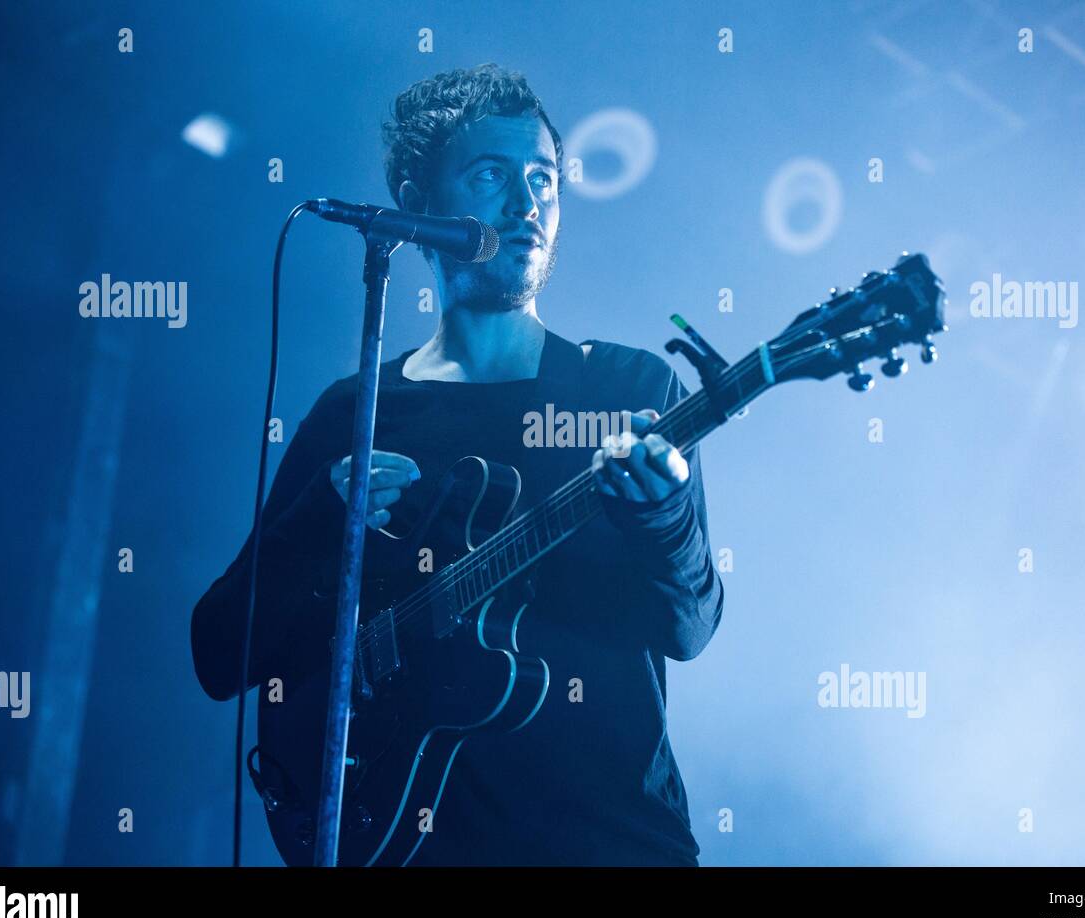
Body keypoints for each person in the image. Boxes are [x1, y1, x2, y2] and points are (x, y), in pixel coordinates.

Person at [191, 63, 724, 865]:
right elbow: (219, 653)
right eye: (491, 175)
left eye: (545, 178)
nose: (527, 205)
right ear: (416, 202)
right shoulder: (357, 410)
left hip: (610, 841)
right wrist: (321, 519)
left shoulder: (628, 388)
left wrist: (664, 512)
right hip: (406, 847)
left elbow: (690, 627)